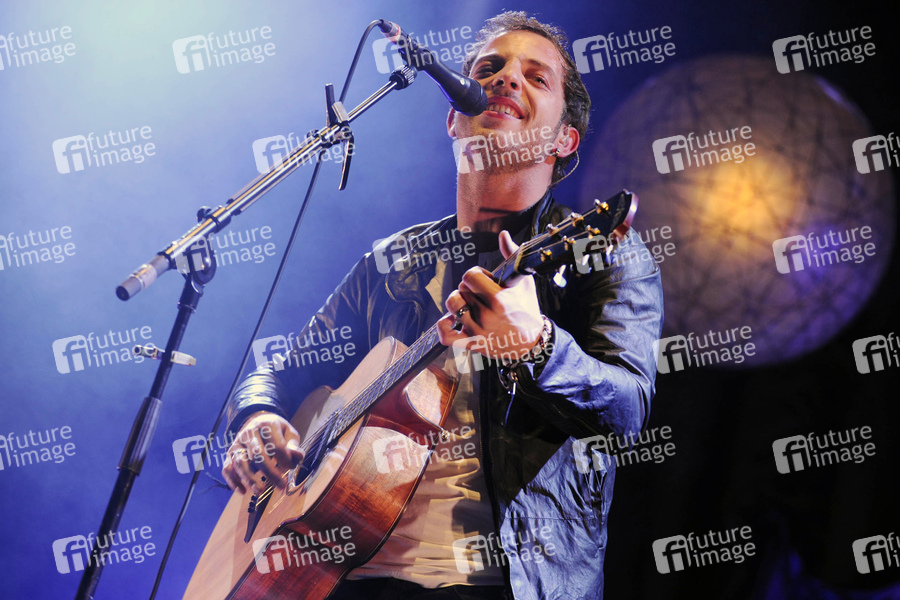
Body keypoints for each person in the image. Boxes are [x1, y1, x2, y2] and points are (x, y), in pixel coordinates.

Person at [221, 11, 663, 600]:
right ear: (455, 117)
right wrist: (255, 419)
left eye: (536, 77)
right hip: (345, 580)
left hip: (501, 584)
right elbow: (279, 376)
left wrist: (537, 347)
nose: (506, 78)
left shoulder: (604, 254)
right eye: (489, 69)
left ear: (564, 140)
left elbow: (627, 412)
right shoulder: (390, 264)